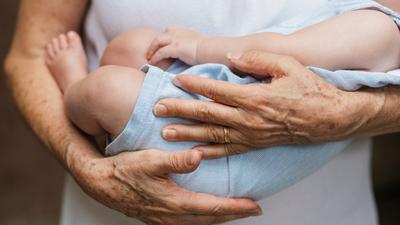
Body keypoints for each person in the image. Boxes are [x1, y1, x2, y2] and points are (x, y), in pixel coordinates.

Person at [4, 0, 400, 225]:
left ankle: (77, 86)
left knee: (105, 89)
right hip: (200, 117)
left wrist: (199, 47)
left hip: (222, 165)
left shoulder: (379, 27)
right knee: (131, 51)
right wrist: (85, 165)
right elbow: (30, 51)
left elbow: (279, 51)